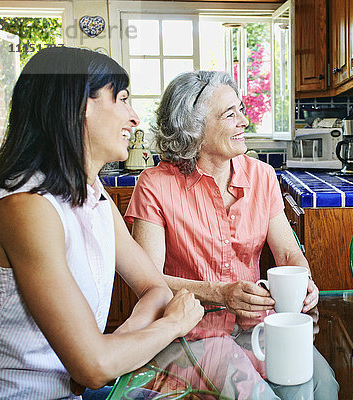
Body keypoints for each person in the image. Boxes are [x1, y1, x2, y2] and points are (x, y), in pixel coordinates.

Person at [0, 47, 203, 399]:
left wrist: (112, 350)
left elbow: (155, 288)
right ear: (79, 106)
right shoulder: (25, 208)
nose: (134, 118)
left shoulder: (93, 192)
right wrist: (171, 325)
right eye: (121, 99)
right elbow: (92, 368)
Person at [125, 71, 319, 319]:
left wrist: (305, 281)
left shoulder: (263, 175)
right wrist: (220, 293)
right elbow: (147, 281)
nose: (244, 121)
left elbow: (287, 254)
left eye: (241, 109)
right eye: (230, 114)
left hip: (253, 331)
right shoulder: (154, 184)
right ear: (193, 129)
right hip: (183, 330)